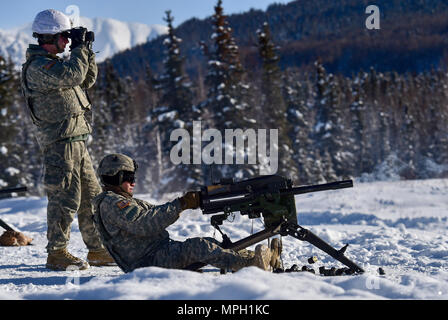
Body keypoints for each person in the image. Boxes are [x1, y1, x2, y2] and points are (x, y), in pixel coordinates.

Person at [21, 9, 114, 270]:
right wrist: (79, 49)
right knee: (65, 196)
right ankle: (57, 252)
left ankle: (97, 249)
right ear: (50, 37)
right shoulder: (39, 67)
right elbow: (73, 75)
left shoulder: (59, 64)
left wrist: (87, 49)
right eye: (64, 36)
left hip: (76, 139)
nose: (67, 42)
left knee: (90, 196)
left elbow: (86, 78)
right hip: (59, 143)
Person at [93, 153, 282, 273]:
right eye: (128, 178)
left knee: (210, 243)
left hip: (157, 253)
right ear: (115, 177)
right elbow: (145, 223)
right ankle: (251, 265)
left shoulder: (124, 200)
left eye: (133, 177)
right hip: (147, 262)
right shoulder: (112, 203)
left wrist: (194, 200)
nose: (133, 182)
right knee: (198, 247)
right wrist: (182, 204)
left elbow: (155, 212)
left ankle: (261, 258)